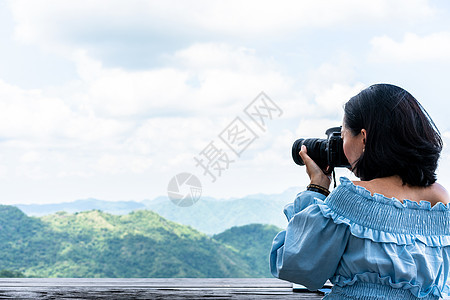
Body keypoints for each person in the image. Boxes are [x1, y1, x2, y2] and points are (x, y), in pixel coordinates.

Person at [270, 83, 450, 299]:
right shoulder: (440, 200)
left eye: (343, 134)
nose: (341, 143)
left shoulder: (352, 198)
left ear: (363, 138)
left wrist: (317, 186)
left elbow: (295, 264)